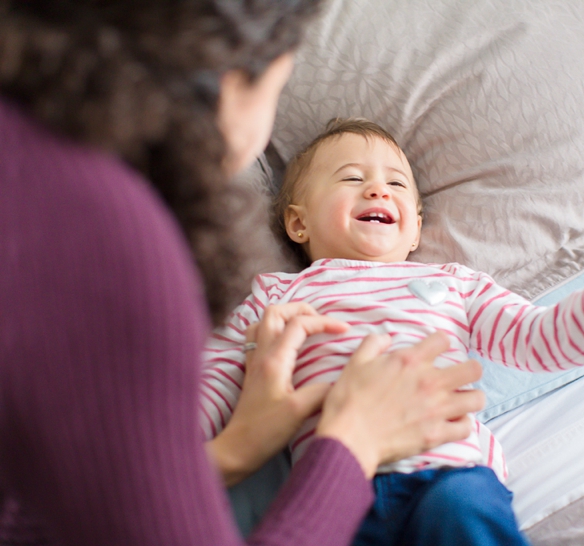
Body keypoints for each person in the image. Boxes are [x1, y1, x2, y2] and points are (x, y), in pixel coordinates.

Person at [0, 3, 486, 545]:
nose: (377, 191)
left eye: (397, 184)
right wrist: (352, 443)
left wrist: (236, 449)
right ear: (232, 79)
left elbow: (58, 501)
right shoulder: (123, 245)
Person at [201, 118, 584, 545]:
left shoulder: (453, 284)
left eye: (396, 184)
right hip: (334, 485)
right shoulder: (279, 295)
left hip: (448, 472)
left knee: (463, 513)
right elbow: (217, 375)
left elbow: (532, 337)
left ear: (415, 230)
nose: (378, 191)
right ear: (298, 222)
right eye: (352, 178)